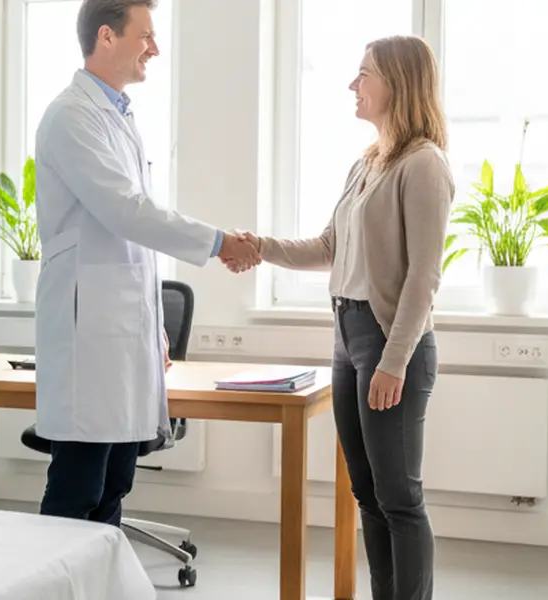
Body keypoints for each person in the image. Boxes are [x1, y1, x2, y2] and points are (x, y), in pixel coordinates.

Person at [225, 35, 452, 600]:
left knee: (401, 496)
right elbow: (329, 246)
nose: (354, 85)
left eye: (364, 74)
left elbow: (424, 276)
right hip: (348, 337)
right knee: (368, 493)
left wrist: (394, 362)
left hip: (389, 342)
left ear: (397, 85)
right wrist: (262, 246)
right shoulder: (367, 164)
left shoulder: (424, 165)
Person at [31, 0, 260, 528]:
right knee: (77, 488)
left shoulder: (118, 115)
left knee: (116, 481)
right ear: (107, 37)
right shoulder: (71, 116)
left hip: (119, 332)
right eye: (146, 36)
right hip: (87, 333)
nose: (154, 48)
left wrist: (153, 325)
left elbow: (136, 247)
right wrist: (220, 241)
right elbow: (126, 211)